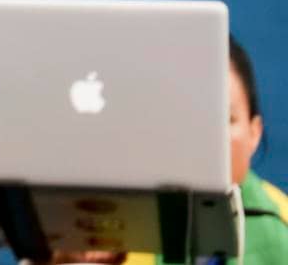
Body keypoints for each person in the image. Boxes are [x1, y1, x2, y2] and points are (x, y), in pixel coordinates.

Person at [51, 36, 288, 265]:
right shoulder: (103, 223)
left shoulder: (281, 223)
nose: (202, 137)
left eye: (224, 118)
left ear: (254, 132)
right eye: (182, 118)